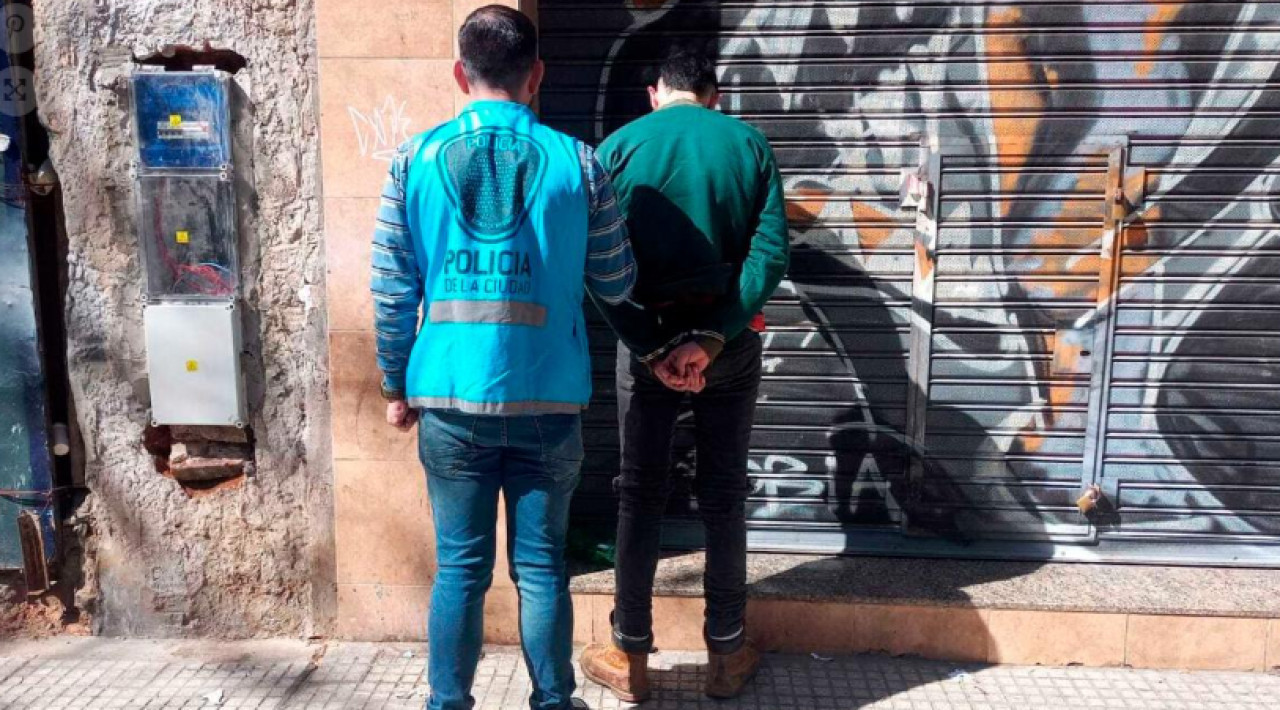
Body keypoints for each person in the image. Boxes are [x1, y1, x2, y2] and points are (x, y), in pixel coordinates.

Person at [371, 7, 655, 709]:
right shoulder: (579, 163)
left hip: (449, 398)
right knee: (539, 569)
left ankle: (448, 704)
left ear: (461, 74)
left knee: (460, 572)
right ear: (537, 76)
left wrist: (394, 382)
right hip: (549, 401)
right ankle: (553, 701)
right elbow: (618, 280)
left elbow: (389, 289)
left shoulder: (414, 159)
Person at [578, 46, 791, 702]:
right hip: (729, 349)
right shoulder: (749, 145)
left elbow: (596, 265)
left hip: (645, 353)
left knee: (640, 494)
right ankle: (726, 653)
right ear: (714, 94)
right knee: (724, 496)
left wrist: (652, 346)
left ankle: (631, 656)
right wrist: (713, 335)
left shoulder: (616, 148)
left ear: (653, 93)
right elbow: (771, 252)